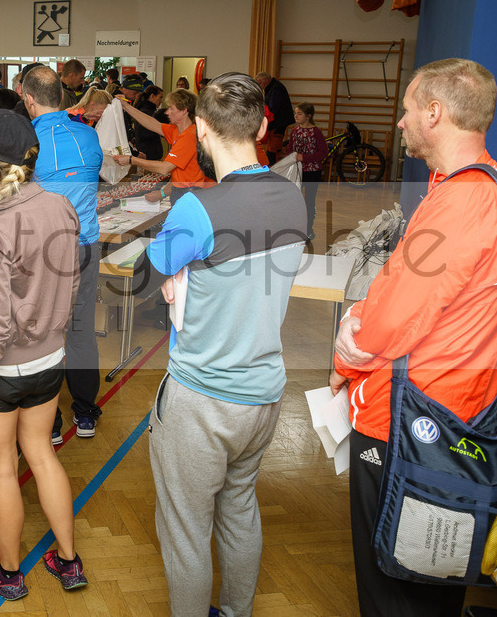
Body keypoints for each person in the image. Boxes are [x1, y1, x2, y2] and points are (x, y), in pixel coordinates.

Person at [330, 58, 497, 617]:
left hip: (408, 425)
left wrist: (345, 346)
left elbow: (388, 324)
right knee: (430, 574)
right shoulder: (491, 185)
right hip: (452, 418)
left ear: (435, 113)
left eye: (409, 109)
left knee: (394, 586)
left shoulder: (461, 201)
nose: (402, 122)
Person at [139, 71, 306, 616]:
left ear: (202, 128)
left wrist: (177, 267)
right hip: (264, 395)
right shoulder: (292, 196)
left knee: (187, 531)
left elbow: (156, 264)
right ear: (262, 124)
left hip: (202, 398)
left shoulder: (200, 209)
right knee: (239, 510)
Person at [0, 108, 87, 600]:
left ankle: (8, 574)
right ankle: (68, 563)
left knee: (4, 469)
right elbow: (69, 286)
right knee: (44, 458)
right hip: (51, 360)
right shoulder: (61, 208)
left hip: (1, 371)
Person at [23, 66, 103, 441]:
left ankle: (50, 422)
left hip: (46, 251)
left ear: (28, 98)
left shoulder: (28, 142)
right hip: (86, 244)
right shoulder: (89, 136)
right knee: (81, 331)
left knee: (45, 336)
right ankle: (85, 413)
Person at [119, 89, 207, 199]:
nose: (166, 112)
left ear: (184, 111)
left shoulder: (189, 136)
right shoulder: (176, 130)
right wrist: (125, 106)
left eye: (171, 108)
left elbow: (164, 168)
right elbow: (152, 124)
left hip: (190, 194)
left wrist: (132, 160)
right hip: (181, 191)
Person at [283, 102, 328, 239]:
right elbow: (290, 150)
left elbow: (323, 153)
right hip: (297, 170)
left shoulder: (316, 132)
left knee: (309, 200)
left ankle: (308, 229)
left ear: (308, 116)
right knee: (293, 199)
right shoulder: (295, 131)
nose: (296, 116)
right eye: (295, 113)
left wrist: (305, 157)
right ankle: (293, 228)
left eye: (299, 113)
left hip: (312, 171)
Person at [255, 71, 292, 165]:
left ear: (266, 80)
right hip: (275, 122)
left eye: (260, 82)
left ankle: (273, 167)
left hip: (278, 122)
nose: (259, 85)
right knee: (272, 147)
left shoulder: (276, 89)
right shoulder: (272, 88)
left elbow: (273, 109)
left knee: (274, 148)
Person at [131, 86, 166, 160]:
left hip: (151, 154)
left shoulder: (149, 111)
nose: (161, 101)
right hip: (147, 155)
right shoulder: (144, 112)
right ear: (152, 96)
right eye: (160, 97)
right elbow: (143, 133)